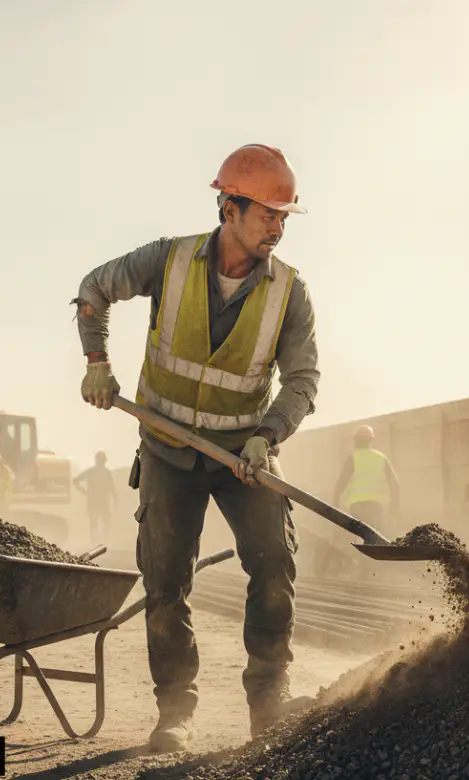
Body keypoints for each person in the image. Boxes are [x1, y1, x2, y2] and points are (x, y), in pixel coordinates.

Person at [73, 144, 320, 751]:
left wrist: (268, 436)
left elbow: (304, 380)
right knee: (164, 583)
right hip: (167, 448)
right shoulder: (169, 260)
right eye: (267, 213)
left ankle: (268, 705)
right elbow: (92, 289)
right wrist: (97, 363)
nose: (278, 227)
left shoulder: (289, 292)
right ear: (228, 207)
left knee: (273, 567)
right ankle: (175, 712)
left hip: (243, 456)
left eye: (284, 216)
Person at [332, 424, 400, 527]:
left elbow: (342, 482)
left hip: (357, 506)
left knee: (360, 534)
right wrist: (395, 507)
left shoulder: (353, 458)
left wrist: (335, 503)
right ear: (371, 440)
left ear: (357, 440)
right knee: (374, 535)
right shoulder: (381, 458)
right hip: (377, 507)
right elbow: (395, 484)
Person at [72, 451, 117, 542]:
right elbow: (75, 480)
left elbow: (111, 487)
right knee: (95, 522)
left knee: (102, 522)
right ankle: (96, 542)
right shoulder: (93, 472)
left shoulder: (105, 472)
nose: (101, 462)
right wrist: (83, 491)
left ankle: (102, 542)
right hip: (95, 501)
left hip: (101, 501)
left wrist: (115, 497)